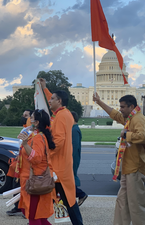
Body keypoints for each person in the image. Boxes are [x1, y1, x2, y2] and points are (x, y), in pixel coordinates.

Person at [93, 92, 145, 225]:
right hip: (127, 167)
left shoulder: (138, 118)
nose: (120, 109)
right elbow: (115, 115)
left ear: (131, 107)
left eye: (123, 107)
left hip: (135, 168)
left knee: (136, 204)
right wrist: (99, 102)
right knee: (121, 201)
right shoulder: (130, 118)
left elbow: (142, 137)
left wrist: (126, 134)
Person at [40, 78, 83, 225]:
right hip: (61, 165)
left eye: (52, 99)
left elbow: (58, 141)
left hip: (59, 166)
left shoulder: (61, 116)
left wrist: (46, 154)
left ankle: (38, 220)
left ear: (59, 101)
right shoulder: (63, 113)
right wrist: (45, 89)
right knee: (65, 198)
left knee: (66, 199)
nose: (49, 101)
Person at [17, 109, 55, 225]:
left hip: (36, 181)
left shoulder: (38, 137)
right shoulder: (39, 135)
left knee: (34, 215)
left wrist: (24, 144)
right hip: (38, 179)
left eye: (31, 118)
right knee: (41, 217)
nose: (29, 120)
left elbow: (36, 158)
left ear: (37, 122)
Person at [6, 109, 34, 217]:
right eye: (23, 115)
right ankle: (17, 206)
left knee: (25, 188)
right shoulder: (24, 130)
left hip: (27, 164)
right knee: (16, 185)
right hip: (19, 163)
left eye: (26, 116)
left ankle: (26, 209)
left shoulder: (32, 132)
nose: (24, 117)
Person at [71, 111, 88, 206]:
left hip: (72, 158)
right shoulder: (73, 129)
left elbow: (73, 146)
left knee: (70, 178)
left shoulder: (74, 130)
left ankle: (80, 194)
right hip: (72, 158)